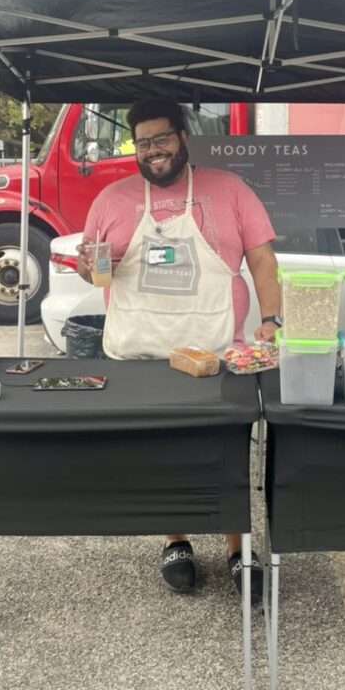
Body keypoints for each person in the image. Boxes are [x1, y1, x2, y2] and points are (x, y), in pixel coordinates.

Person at [79, 99, 281, 603]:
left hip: (214, 351)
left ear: (182, 137)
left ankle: (239, 546)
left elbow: (261, 258)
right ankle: (175, 541)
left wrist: (272, 319)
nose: (153, 151)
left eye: (162, 139)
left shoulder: (229, 190)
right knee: (162, 453)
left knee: (227, 450)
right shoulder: (111, 199)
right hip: (140, 353)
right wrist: (90, 269)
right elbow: (96, 270)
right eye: (143, 143)